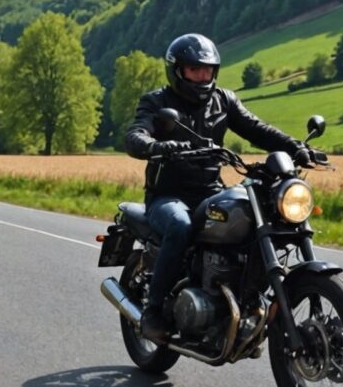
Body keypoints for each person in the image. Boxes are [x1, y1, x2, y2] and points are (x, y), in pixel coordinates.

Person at [125, 33, 311, 342]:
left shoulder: (224, 100)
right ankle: (154, 310)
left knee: (254, 215)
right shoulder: (158, 102)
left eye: (207, 71)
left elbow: (256, 129)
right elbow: (135, 136)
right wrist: (160, 146)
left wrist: (295, 147)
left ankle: (243, 299)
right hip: (168, 196)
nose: (202, 77)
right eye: (194, 70)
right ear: (177, 71)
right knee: (181, 227)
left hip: (211, 190)